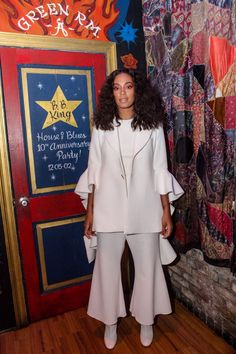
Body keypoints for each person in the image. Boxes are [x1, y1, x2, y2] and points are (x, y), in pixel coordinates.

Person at [75, 69, 184, 349]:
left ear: (137, 90)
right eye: (117, 88)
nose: (123, 92)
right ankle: (110, 321)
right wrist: (90, 212)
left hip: (145, 209)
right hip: (108, 209)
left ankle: (146, 319)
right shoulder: (101, 126)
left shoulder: (153, 126)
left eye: (128, 86)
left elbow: (160, 169)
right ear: (110, 93)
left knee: (147, 268)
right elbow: (94, 171)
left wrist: (164, 210)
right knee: (107, 268)